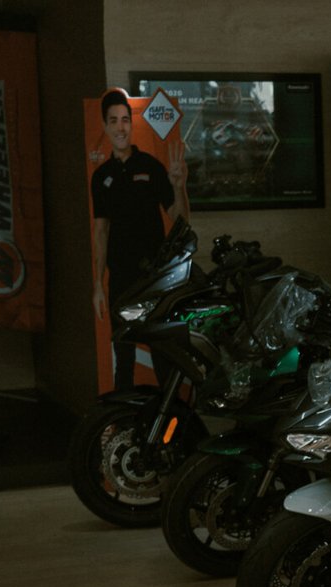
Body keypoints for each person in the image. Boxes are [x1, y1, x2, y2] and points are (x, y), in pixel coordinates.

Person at [90, 88, 188, 391]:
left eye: (125, 120)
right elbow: (100, 232)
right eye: (113, 121)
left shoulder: (151, 166)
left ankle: (170, 417)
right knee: (124, 356)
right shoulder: (101, 177)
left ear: (131, 124)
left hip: (155, 279)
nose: (120, 127)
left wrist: (179, 187)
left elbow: (180, 220)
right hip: (121, 280)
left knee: (162, 354)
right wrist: (98, 285)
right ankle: (124, 417)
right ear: (105, 126)